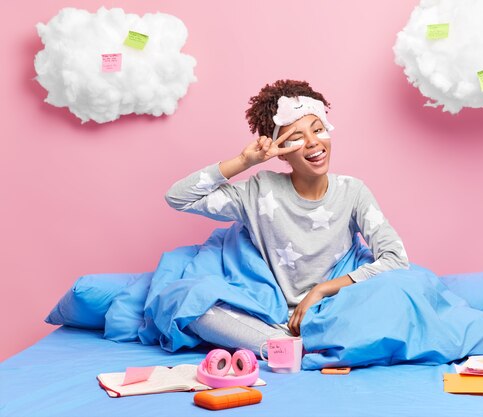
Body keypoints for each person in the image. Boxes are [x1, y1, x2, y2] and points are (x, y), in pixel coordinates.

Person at [165, 79, 408, 353]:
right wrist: (245, 162)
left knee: (400, 293)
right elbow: (178, 197)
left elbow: (396, 259)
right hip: (269, 314)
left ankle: (296, 345)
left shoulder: (353, 191)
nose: (313, 142)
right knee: (189, 302)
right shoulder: (258, 192)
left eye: (318, 129)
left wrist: (321, 290)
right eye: (296, 137)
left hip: (336, 307)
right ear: (281, 153)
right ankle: (287, 347)